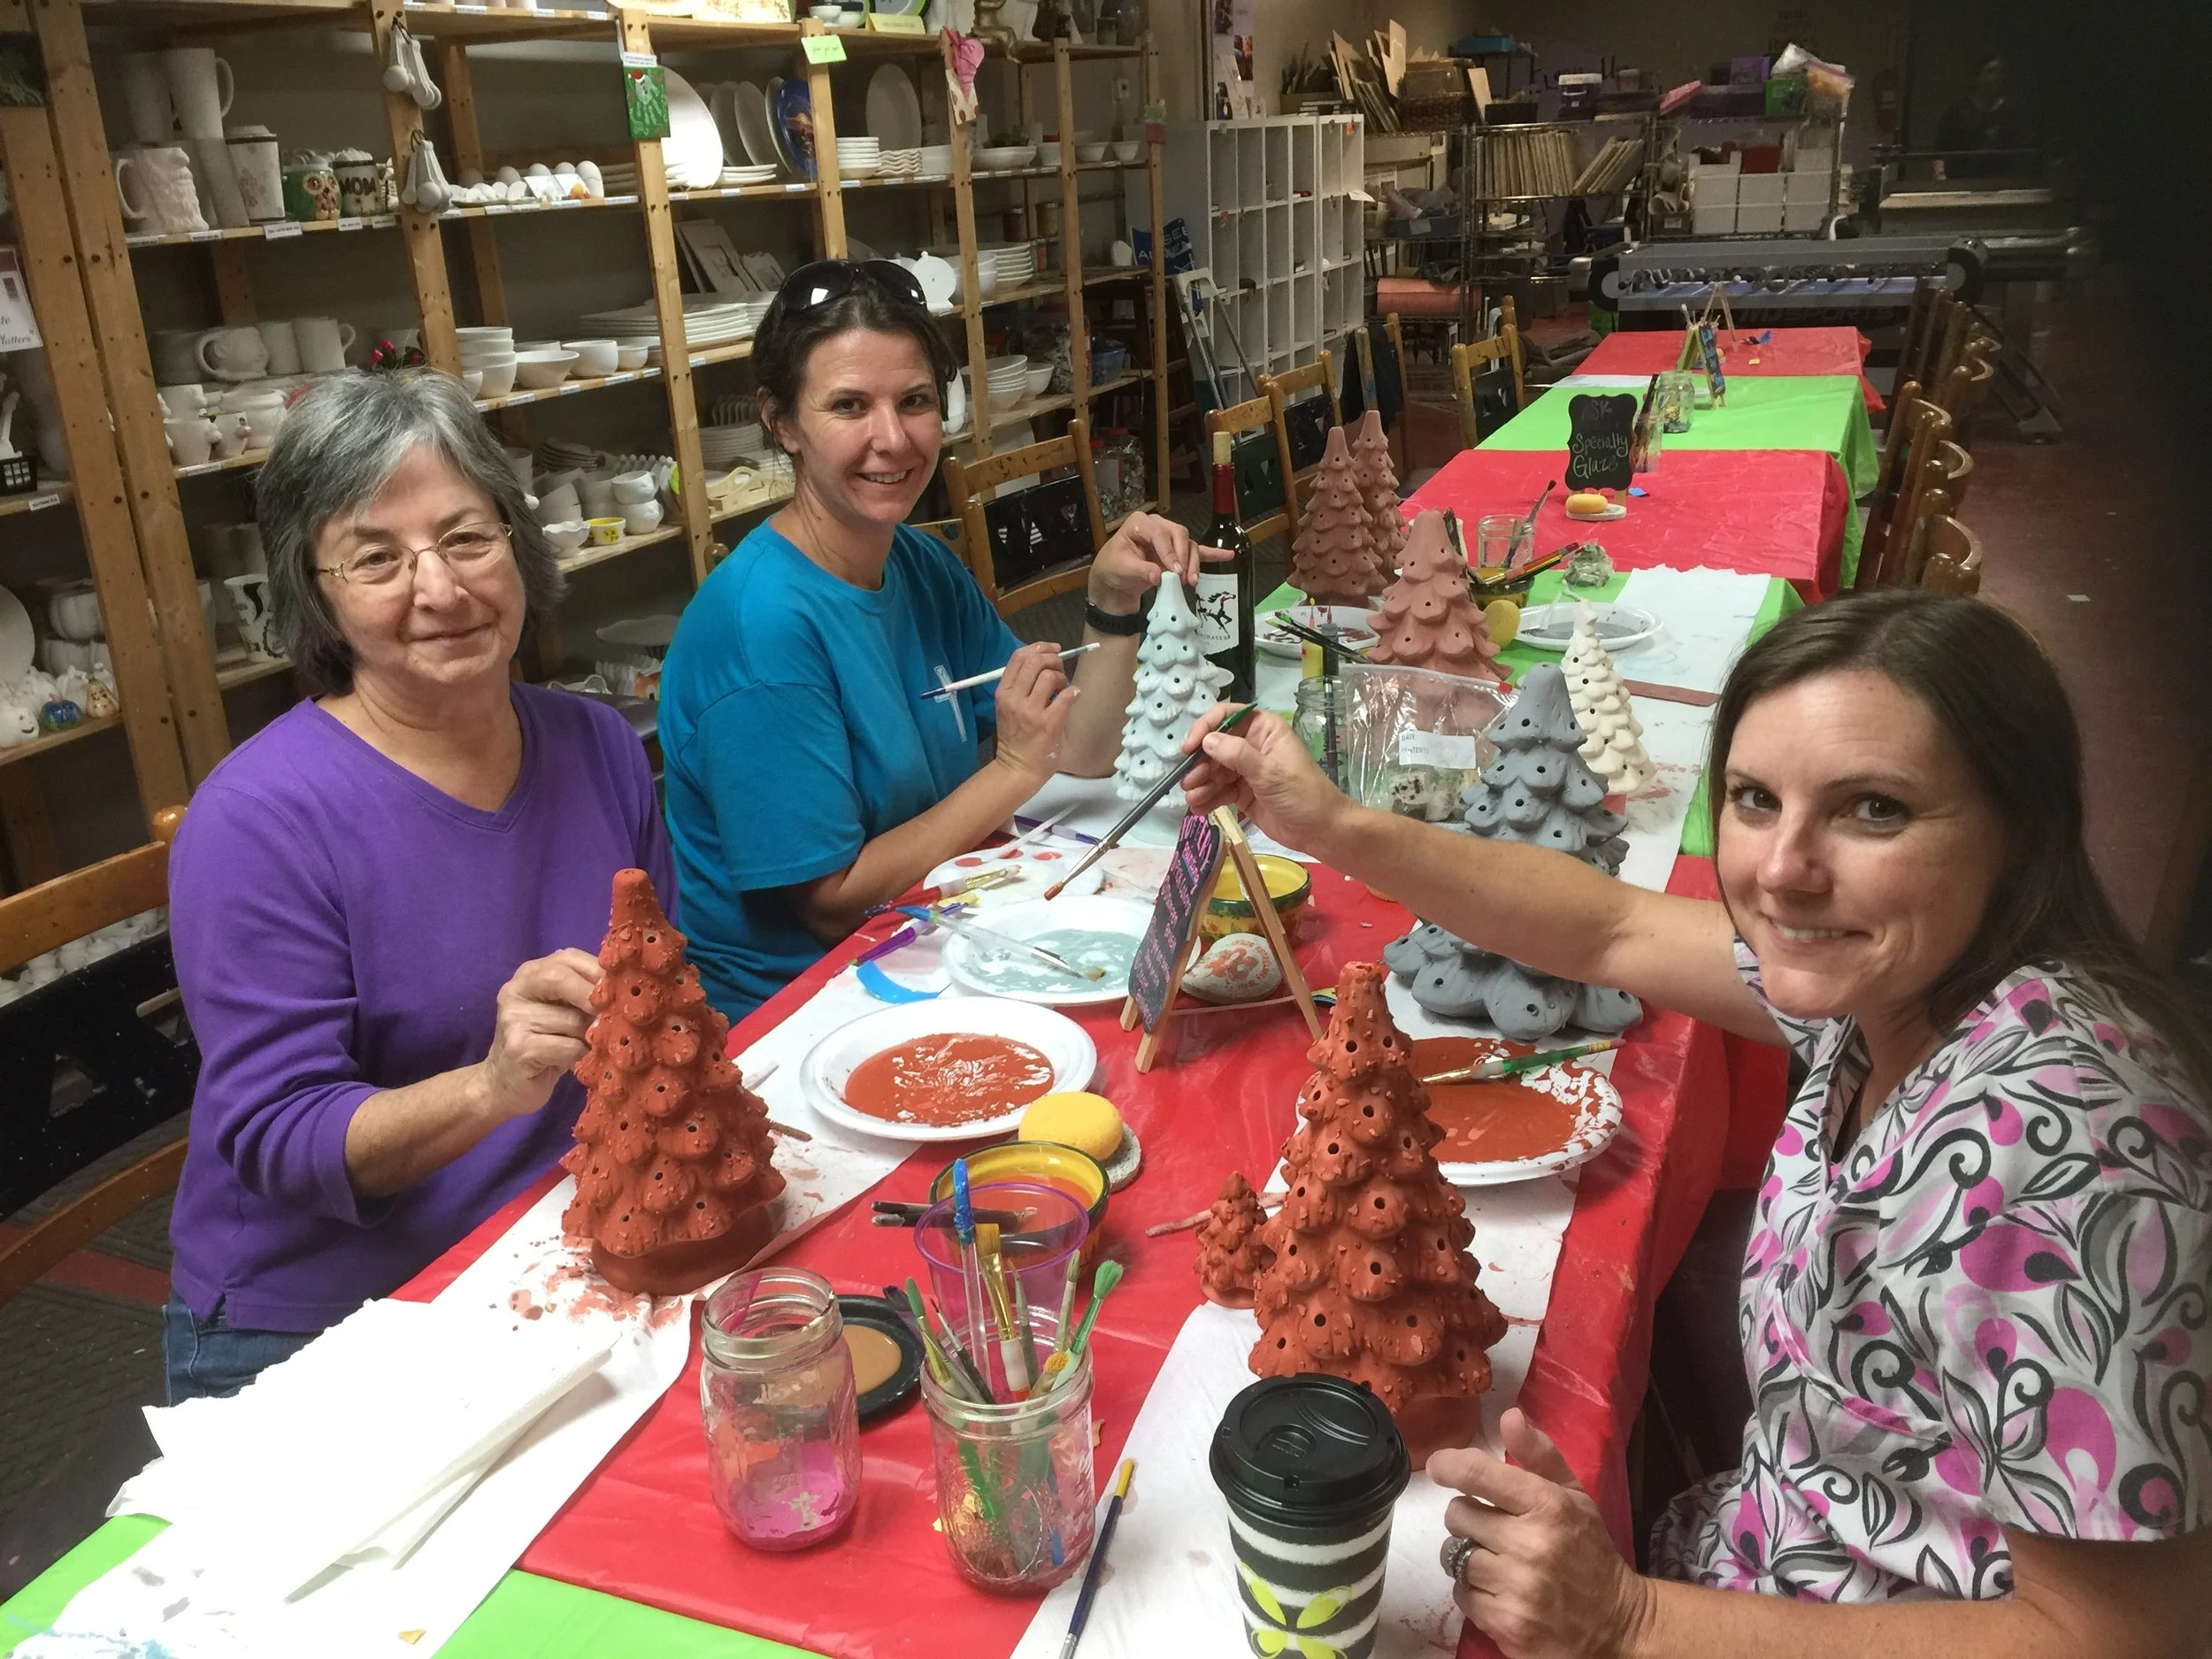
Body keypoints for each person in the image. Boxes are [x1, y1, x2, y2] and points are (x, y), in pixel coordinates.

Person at [1179, 590, 2212, 1655]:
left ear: (2021, 826)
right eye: (1757, 800)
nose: (1782, 870)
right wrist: (1331, 825)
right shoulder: (1902, 982)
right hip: (1765, 1549)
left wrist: (1632, 1618)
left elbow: (2120, 1636)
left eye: (1875, 810)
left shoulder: (2067, 1159)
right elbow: (1609, 924)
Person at [165, 372, 672, 1402]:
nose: (440, 592)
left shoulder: (596, 743)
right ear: (317, 596)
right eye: (377, 560)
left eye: (467, 538)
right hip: (328, 1320)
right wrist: (493, 1087)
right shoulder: (259, 821)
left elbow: (664, 989)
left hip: (549, 1242)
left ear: (518, 545)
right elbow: (281, 1138)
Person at [658, 259, 1222, 1020]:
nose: (892, 438)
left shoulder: (917, 561)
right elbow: (833, 900)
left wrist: (1112, 600)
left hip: (935, 928)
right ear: (782, 421)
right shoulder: (760, 627)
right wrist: (1012, 769)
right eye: (850, 405)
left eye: (915, 401)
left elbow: (1079, 753)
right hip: (807, 1006)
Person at [1933, 57, 2033, 181]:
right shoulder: (1958, 111)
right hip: (1961, 183)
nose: (1997, 77)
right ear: (1977, 78)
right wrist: (1941, 176)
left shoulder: (2011, 112)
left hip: (2001, 183)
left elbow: (2021, 151)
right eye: (1992, 72)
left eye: (2001, 72)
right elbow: (1941, 149)